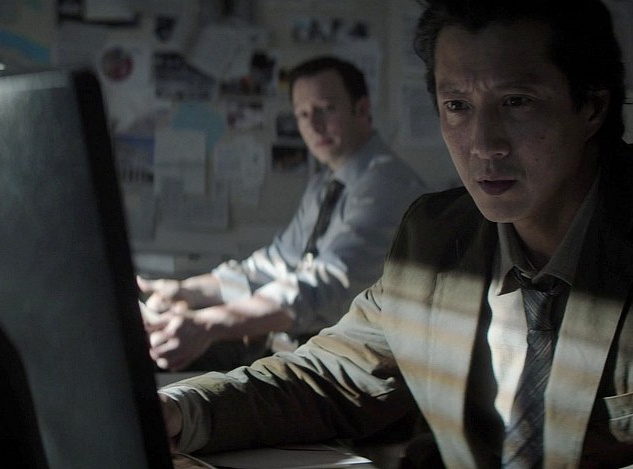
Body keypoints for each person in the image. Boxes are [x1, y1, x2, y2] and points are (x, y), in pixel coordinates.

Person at [157, 0, 633, 467]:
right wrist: (179, 408)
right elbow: (333, 373)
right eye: (457, 105)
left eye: (516, 102)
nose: (484, 145)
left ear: (592, 106)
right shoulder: (436, 235)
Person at [139, 56, 426, 371]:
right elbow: (274, 265)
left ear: (361, 108)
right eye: (303, 114)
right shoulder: (324, 185)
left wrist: (207, 324)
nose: (313, 125)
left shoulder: (386, 183)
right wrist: (187, 291)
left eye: (326, 108)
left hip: (357, 365)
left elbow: (327, 285)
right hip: (305, 352)